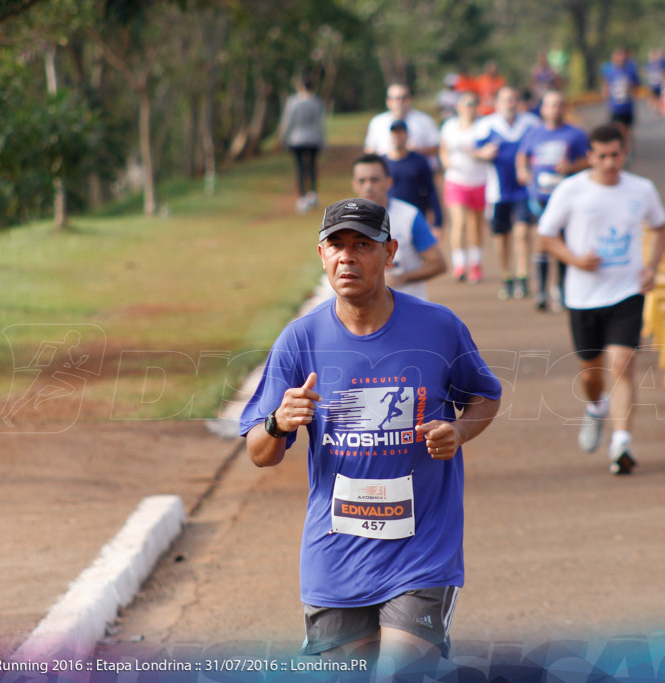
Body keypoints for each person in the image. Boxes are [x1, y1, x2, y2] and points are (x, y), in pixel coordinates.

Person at [239, 197, 502, 678]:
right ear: (321, 255)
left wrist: (459, 430)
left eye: (362, 244)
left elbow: (484, 395)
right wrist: (279, 421)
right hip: (336, 555)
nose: (347, 257)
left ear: (390, 253)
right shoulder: (300, 340)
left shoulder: (438, 328)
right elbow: (260, 453)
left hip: (421, 550)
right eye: (336, 245)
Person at [537, 124, 665, 475]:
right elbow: (546, 236)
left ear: (625, 153)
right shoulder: (571, 190)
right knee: (592, 374)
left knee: (622, 365)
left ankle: (621, 443)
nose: (609, 162)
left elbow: (661, 226)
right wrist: (575, 259)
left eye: (616, 155)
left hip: (627, 290)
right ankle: (596, 407)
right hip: (582, 296)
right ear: (590, 157)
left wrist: (652, 267)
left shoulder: (642, 189)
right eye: (602, 156)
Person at [516, 90, 589, 311]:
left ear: (564, 108)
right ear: (543, 108)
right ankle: (541, 291)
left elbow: (589, 160)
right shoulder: (534, 133)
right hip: (540, 196)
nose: (554, 109)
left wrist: (571, 167)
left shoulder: (576, 134)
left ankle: (562, 289)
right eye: (550, 105)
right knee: (543, 240)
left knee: (564, 243)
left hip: (567, 198)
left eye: (558, 105)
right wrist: (522, 171)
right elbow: (523, 155)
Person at [474, 86, 540, 300]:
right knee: (501, 236)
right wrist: (483, 153)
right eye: (505, 100)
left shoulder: (530, 123)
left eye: (513, 99)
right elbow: (474, 150)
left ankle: (523, 276)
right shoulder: (487, 125)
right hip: (497, 192)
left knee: (522, 232)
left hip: (523, 189)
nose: (510, 104)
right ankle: (507, 276)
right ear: (498, 103)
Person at [351, 153, 446, 300]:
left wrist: (404, 277)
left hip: (407, 306)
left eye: (374, 180)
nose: (368, 186)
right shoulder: (346, 220)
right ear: (354, 184)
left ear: (388, 182)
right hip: (365, 312)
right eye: (362, 181)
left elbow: (438, 264)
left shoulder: (409, 216)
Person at [440, 92, 489, 283]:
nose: (470, 107)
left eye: (473, 104)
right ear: (459, 107)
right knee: (459, 222)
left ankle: (475, 264)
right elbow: (443, 149)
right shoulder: (449, 127)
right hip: (456, 181)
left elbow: (489, 150)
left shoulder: (483, 126)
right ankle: (459, 264)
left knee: (475, 224)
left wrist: (476, 153)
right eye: (466, 104)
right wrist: (446, 162)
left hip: (479, 180)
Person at [385, 120, 443, 234]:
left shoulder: (419, 161)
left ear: (406, 135)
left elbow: (431, 190)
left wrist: (438, 221)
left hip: (415, 217)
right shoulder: (383, 163)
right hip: (388, 219)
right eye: (394, 133)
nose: (397, 136)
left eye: (401, 133)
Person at [280, 74, 326, 213]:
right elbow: (320, 123)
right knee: (312, 166)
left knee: (300, 168)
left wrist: (283, 138)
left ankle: (302, 198)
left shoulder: (293, 102)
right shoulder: (317, 102)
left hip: (297, 139)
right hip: (314, 139)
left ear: (300, 86)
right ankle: (313, 194)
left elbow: (288, 122)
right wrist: (323, 141)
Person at [364, 84, 440, 160]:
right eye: (396, 98)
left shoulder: (425, 120)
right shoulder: (377, 122)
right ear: (388, 101)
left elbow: (437, 148)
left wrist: (413, 152)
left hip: (419, 168)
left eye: (404, 98)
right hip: (387, 168)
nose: (400, 102)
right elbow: (370, 149)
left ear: (410, 99)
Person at [601, 48, 641, 156]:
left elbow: (635, 86)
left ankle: (627, 150)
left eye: (622, 55)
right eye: (618, 55)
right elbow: (605, 86)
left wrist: (633, 99)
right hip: (614, 107)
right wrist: (606, 100)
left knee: (626, 131)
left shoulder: (630, 70)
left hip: (627, 107)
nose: (620, 58)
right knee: (615, 130)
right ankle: (618, 151)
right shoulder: (609, 70)